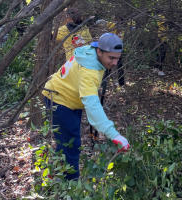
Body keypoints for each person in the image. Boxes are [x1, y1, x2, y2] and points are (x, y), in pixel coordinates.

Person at [42, 33, 130, 180]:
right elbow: (92, 104)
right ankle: (70, 187)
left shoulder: (90, 51)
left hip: (68, 97)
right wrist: (113, 134)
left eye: (117, 58)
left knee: (67, 141)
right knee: (71, 145)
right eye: (111, 58)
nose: (115, 63)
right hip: (59, 100)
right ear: (99, 52)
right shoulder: (90, 71)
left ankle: (55, 175)